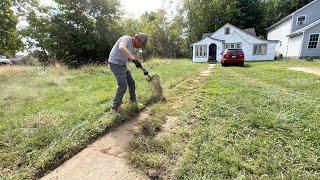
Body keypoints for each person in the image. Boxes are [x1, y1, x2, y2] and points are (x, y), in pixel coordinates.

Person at [108, 33, 148, 114]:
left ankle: (133, 101)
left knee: (131, 82)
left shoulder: (136, 48)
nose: (140, 47)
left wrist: (143, 69)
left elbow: (135, 59)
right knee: (123, 86)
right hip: (115, 63)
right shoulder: (125, 39)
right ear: (137, 39)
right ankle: (114, 109)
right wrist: (133, 59)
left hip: (123, 64)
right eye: (140, 45)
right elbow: (121, 48)